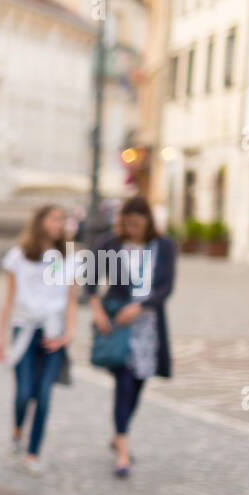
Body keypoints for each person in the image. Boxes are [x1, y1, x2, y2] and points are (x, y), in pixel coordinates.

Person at [86, 196, 176, 478]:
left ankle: (119, 434)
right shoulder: (110, 244)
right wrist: (98, 311)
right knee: (123, 382)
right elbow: (90, 281)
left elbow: (165, 287)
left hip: (148, 325)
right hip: (118, 324)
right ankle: (123, 451)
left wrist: (140, 306)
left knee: (138, 383)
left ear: (148, 222)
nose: (133, 228)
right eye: (129, 223)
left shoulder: (164, 246)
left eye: (139, 223)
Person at [0, 205, 78, 474]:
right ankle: (17, 428)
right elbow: (8, 299)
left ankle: (33, 452)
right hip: (25, 329)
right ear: (40, 221)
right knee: (23, 392)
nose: (58, 224)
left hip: (53, 332)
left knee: (43, 395)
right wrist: (0, 338)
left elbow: (72, 301)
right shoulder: (19, 256)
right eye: (54, 219)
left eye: (61, 220)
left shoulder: (69, 258)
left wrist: (69, 334)